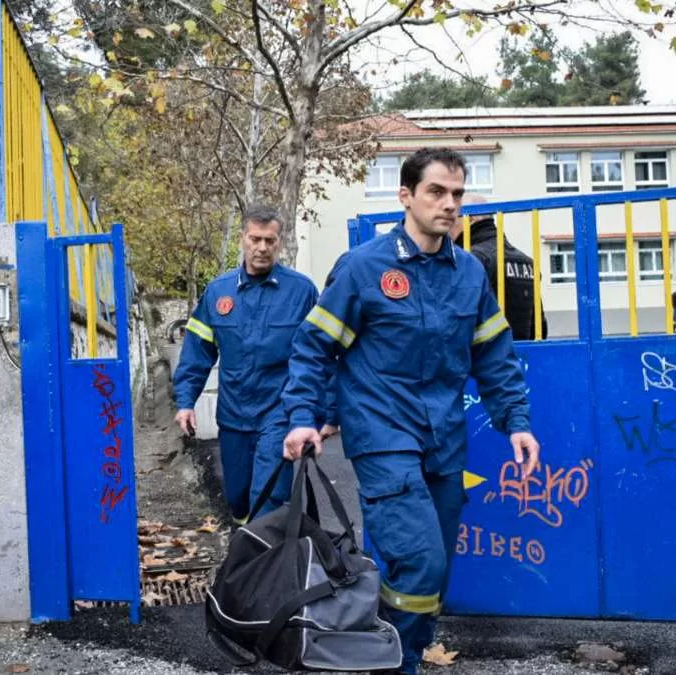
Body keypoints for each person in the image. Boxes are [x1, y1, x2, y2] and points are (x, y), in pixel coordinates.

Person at [281, 148, 540, 675]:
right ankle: (397, 667)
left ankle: (393, 651)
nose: (450, 204)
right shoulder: (365, 268)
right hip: (383, 436)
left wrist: (517, 422)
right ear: (406, 196)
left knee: (433, 572)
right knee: (420, 561)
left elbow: (493, 353)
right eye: (437, 192)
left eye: (458, 194)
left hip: (444, 438)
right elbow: (314, 347)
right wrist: (303, 416)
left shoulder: (468, 273)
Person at [173, 205, 323, 524]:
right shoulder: (218, 292)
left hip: (279, 411)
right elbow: (197, 352)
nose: (262, 247)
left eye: (270, 240)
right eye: (255, 239)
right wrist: (185, 402)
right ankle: (250, 549)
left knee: (267, 500)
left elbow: (321, 354)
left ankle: (262, 568)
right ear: (243, 239)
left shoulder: (302, 292)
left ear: (279, 243)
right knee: (238, 499)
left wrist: (328, 413)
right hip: (234, 416)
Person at [451, 194, 548, 340]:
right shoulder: (527, 262)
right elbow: (539, 328)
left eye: (452, 217)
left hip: (482, 359)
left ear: (470, 219)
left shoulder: (470, 260)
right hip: (521, 357)